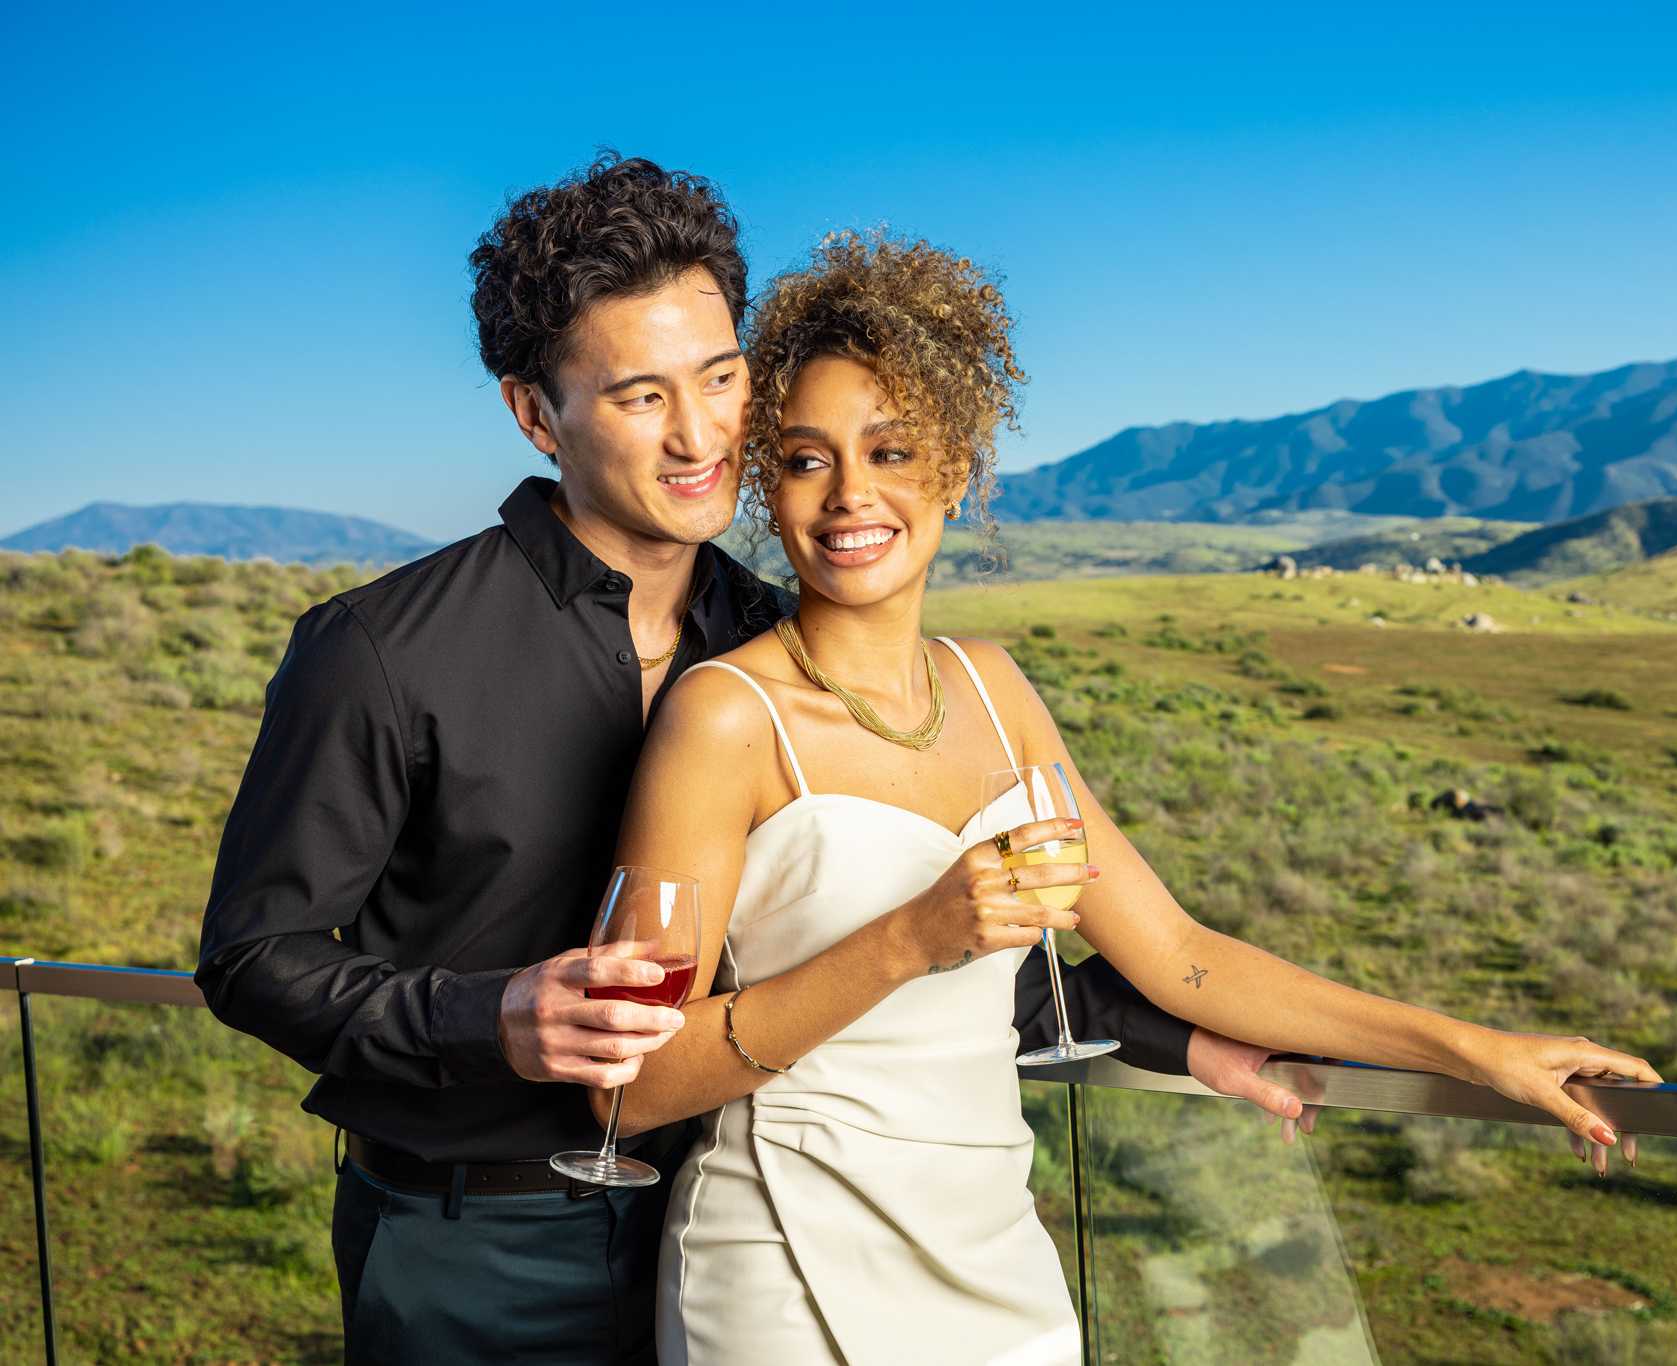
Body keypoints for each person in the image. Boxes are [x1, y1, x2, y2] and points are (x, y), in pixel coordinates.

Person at [194, 156, 1264, 1365]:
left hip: (726, 1219)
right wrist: (486, 1015)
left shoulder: (769, 642)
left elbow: (891, 936)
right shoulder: (382, 649)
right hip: (474, 1241)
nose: (700, 434)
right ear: (536, 415)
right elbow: (250, 956)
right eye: (641, 396)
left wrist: (1181, 1041)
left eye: (719, 376)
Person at [609, 233, 1664, 1365]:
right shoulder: (722, 717)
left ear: (956, 470)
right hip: (780, 1264)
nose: (850, 494)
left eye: (892, 450)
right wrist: (912, 938)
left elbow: (1181, 955)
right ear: (768, 480)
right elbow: (636, 1080)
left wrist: (1472, 1050)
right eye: (808, 458)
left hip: (989, 1251)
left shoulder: (993, 689)